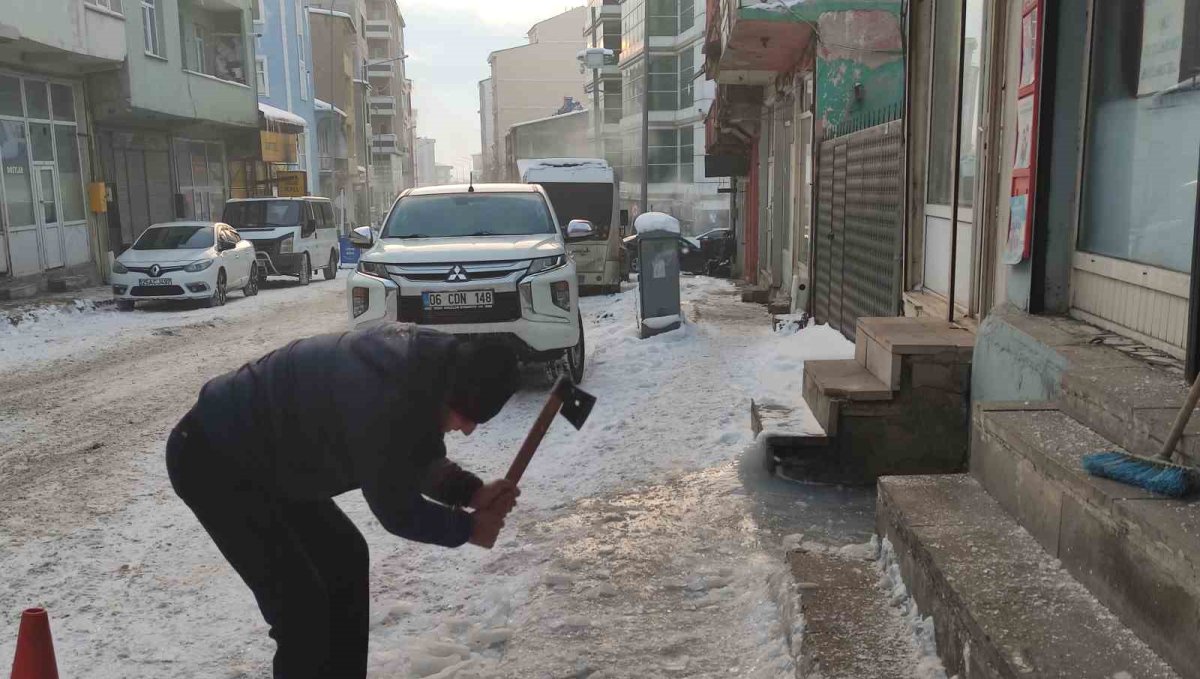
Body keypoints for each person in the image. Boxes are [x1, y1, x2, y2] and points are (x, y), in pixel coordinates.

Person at [166, 323, 522, 678]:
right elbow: (396, 508)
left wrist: (472, 492)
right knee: (301, 611)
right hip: (214, 458)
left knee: (345, 558)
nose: (467, 429)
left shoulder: (433, 366)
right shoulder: (383, 394)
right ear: (452, 394)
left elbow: (412, 453)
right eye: (467, 417)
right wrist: (468, 529)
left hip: (275, 461)